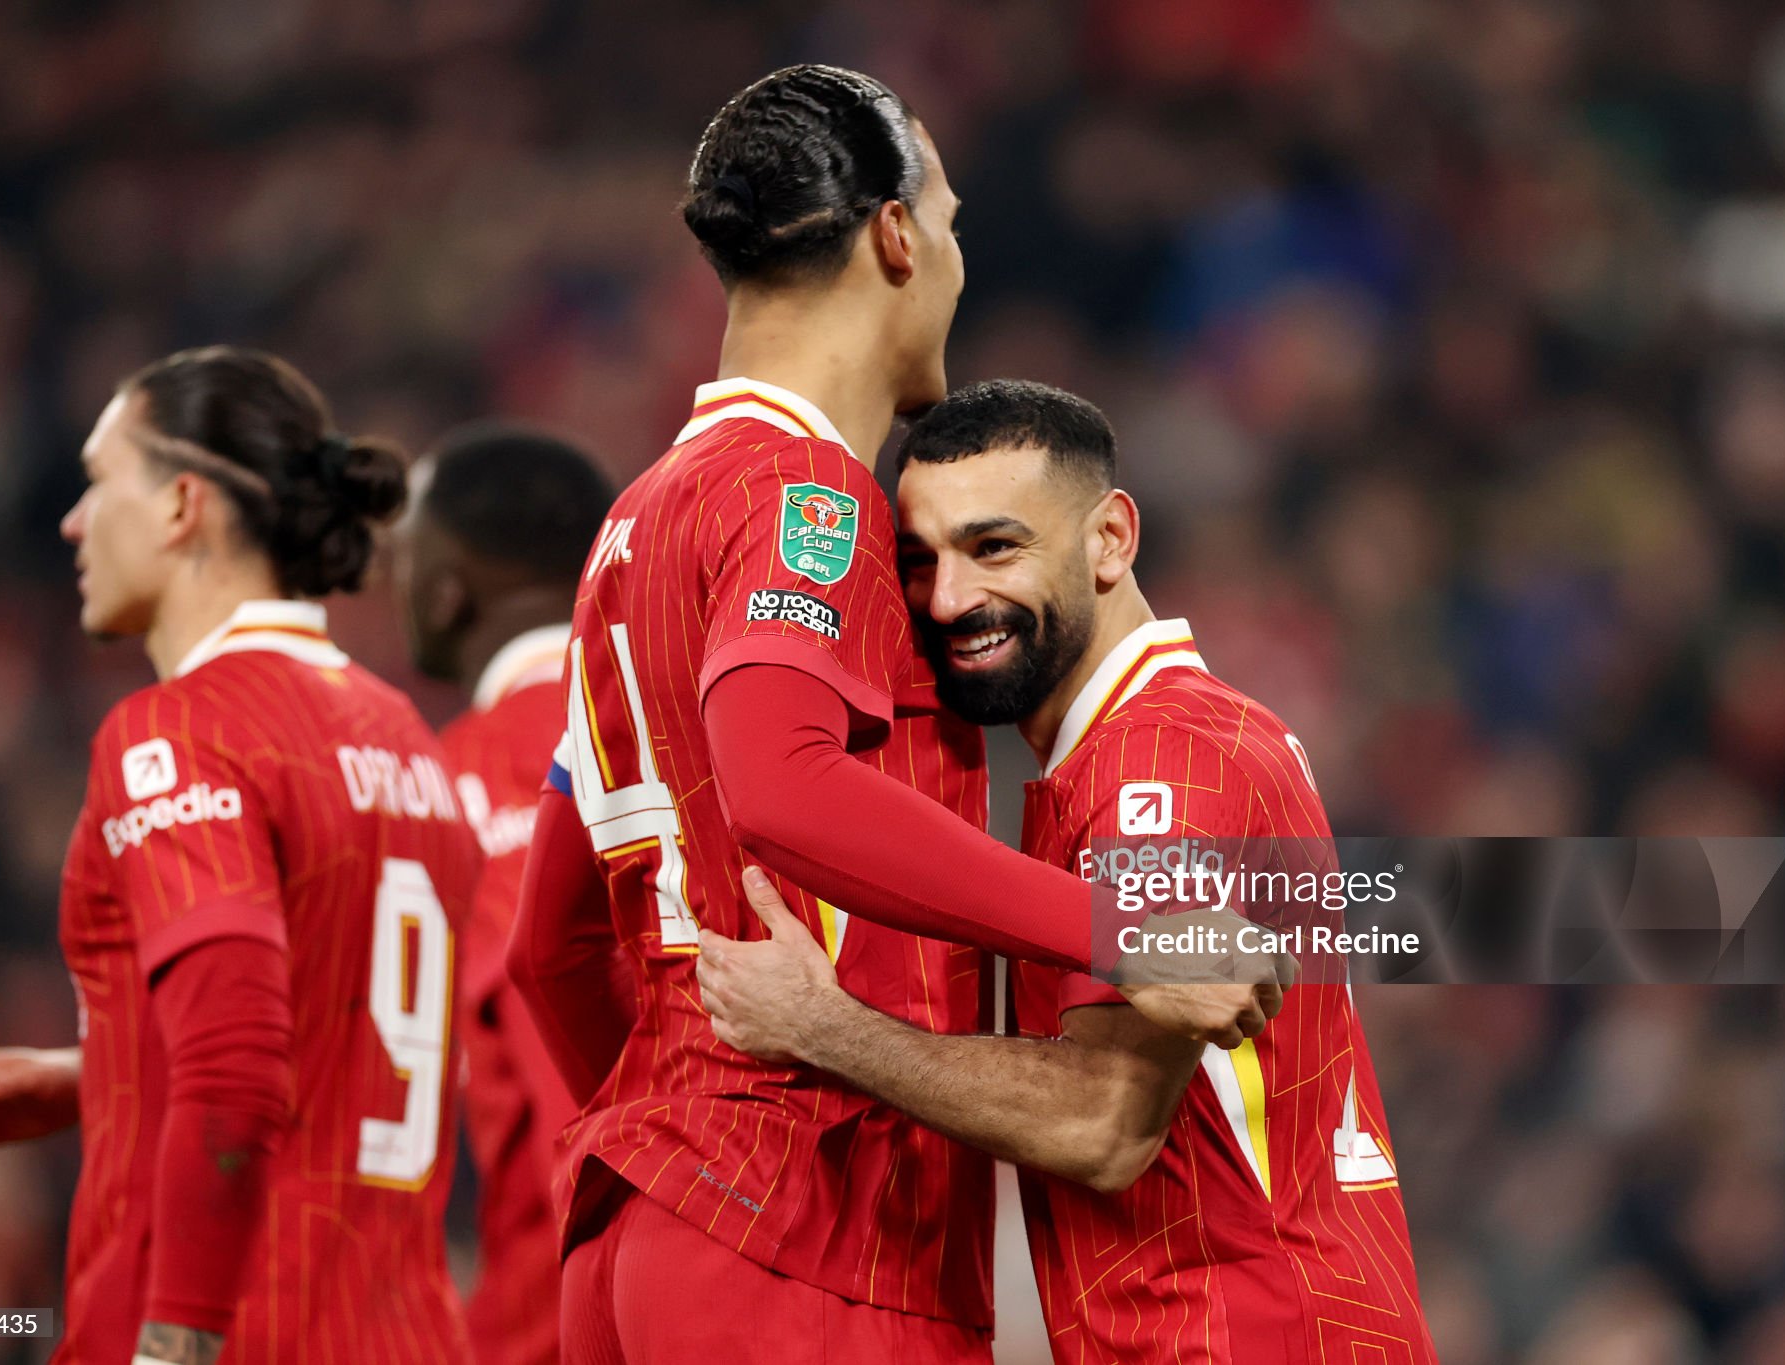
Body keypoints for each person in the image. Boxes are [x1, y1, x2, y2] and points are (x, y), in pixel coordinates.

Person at [508, 65, 1286, 1365]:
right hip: (814, 1237)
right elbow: (784, 787)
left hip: (649, 1231)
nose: (960, 266)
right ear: (894, 237)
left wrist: (668, 1136)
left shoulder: (634, 526)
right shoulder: (805, 497)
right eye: (952, 224)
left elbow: (550, 944)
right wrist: (1114, 930)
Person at [697, 380, 1436, 1363]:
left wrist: (822, 1027)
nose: (949, 599)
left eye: (994, 547)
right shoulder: (1156, 747)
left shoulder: (1158, 765)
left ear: (1109, 540)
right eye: (920, 562)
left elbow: (1102, 1122)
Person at [0, 346, 479, 1365]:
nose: (73, 520)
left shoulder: (179, 733)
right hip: (402, 1332)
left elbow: (235, 1070)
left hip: (246, 1332)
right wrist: (106, 1069)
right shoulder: (407, 743)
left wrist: (173, 1345)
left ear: (180, 505)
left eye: (99, 480)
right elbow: (342, 1028)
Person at [392, 422, 619, 1365]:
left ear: (449, 588)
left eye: (404, 556)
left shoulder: (469, 773)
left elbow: (564, 1080)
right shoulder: (685, 710)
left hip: (572, 1311)